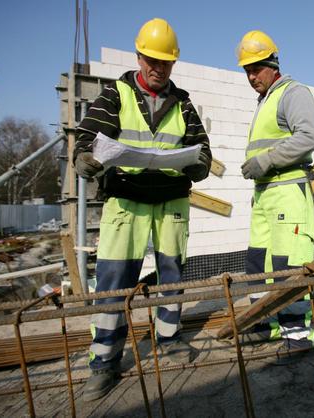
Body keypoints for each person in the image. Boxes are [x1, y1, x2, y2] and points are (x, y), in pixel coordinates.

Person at [73, 18, 211, 401]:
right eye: (151, 59)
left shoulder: (182, 102)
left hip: (171, 200)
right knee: (113, 281)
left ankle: (168, 338)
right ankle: (104, 362)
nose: (158, 67)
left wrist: (199, 164)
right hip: (126, 199)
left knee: (171, 275)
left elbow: (203, 148)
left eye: (165, 62)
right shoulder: (115, 95)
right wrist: (83, 158)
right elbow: (86, 138)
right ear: (138, 56)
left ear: (173, 64)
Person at [235, 30, 314, 364]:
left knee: (290, 267)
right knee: (259, 266)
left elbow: (309, 136)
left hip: (287, 194)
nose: (251, 76)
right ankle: (268, 323)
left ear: (273, 63)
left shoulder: (292, 93)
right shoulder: (265, 101)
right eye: (247, 70)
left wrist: (265, 160)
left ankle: (298, 337)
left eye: (257, 68)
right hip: (265, 196)